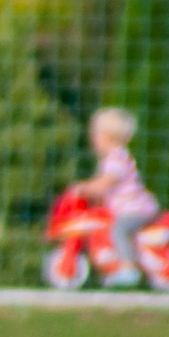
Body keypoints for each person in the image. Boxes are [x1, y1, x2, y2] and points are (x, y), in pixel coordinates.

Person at [70, 107, 158, 289]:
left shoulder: (116, 158)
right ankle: (117, 263)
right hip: (129, 209)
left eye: (95, 134)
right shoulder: (115, 157)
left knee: (118, 230)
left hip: (136, 210)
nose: (93, 139)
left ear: (107, 136)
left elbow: (106, 183)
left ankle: (129, 270)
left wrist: (85, 188)